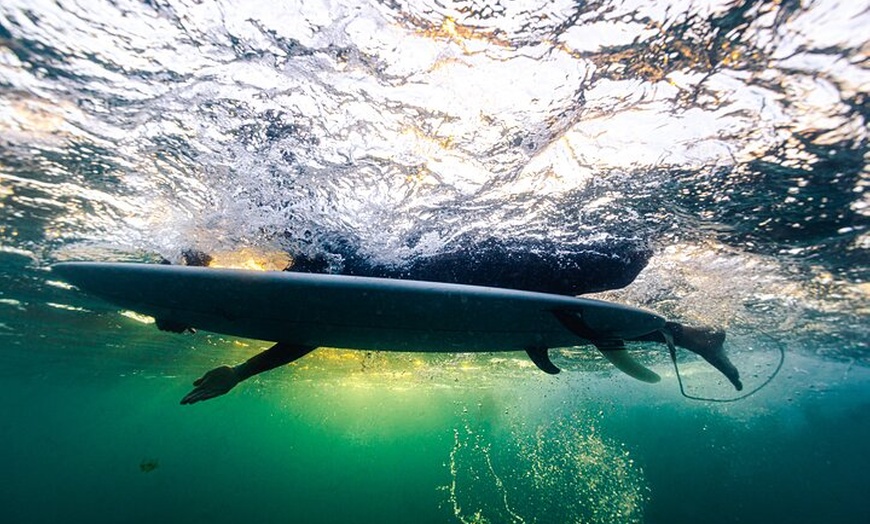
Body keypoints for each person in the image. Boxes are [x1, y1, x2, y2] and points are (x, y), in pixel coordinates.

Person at [176, 238, 742, 404]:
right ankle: (690, 335)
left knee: (608, 277)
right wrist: (239, 374)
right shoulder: (308, 297)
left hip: (473, 265)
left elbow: (307, 329)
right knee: (584, 304)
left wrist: (239, 371)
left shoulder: (321, 269)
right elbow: (309, 333)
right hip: (473, 278)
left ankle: (686, 333)